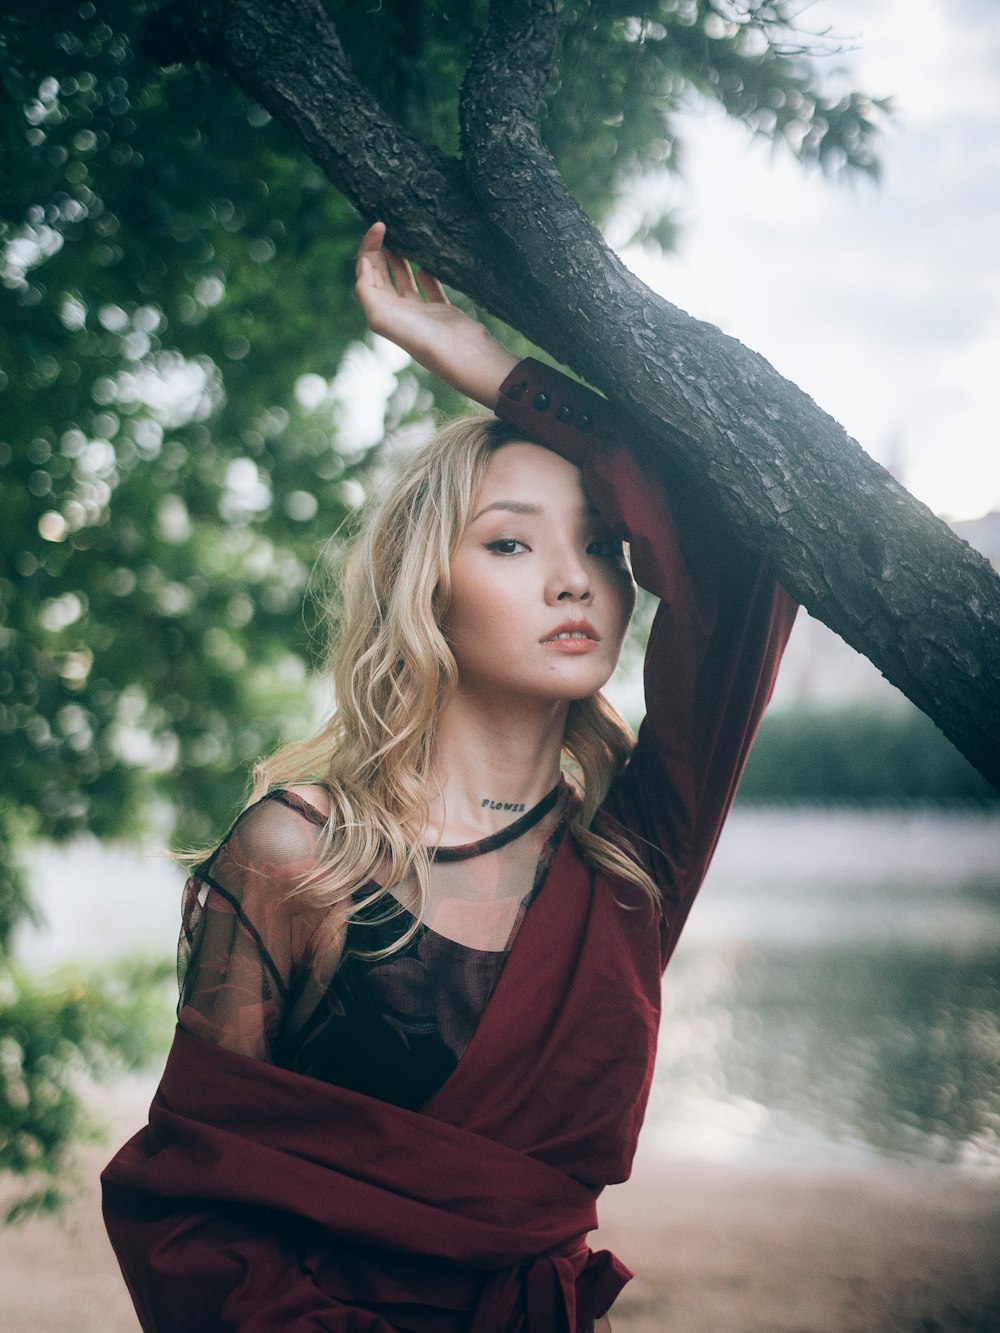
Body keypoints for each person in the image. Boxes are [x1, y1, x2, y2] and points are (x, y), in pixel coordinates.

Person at [102, 222, 797, 1332]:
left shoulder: (633, 858)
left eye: (601, 545)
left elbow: (744, 541)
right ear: (430, 591)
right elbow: (186, 1214)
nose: (574, 579)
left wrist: (480, 361)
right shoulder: (294, 855)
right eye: (511, 544)